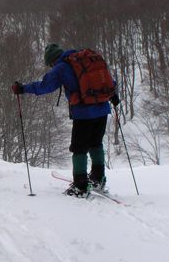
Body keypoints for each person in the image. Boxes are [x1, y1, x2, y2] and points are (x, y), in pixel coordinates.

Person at [12, 43, 119, 197]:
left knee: (79, 148)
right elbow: (107, 80)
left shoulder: (61, 68)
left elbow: (44, 86)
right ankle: (98, 179)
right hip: (102, 110)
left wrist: (23, 88)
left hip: (84, 113)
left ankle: (80, 186)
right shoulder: (86, 60)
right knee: (96, 143)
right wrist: (112, 95)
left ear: (51, 61)